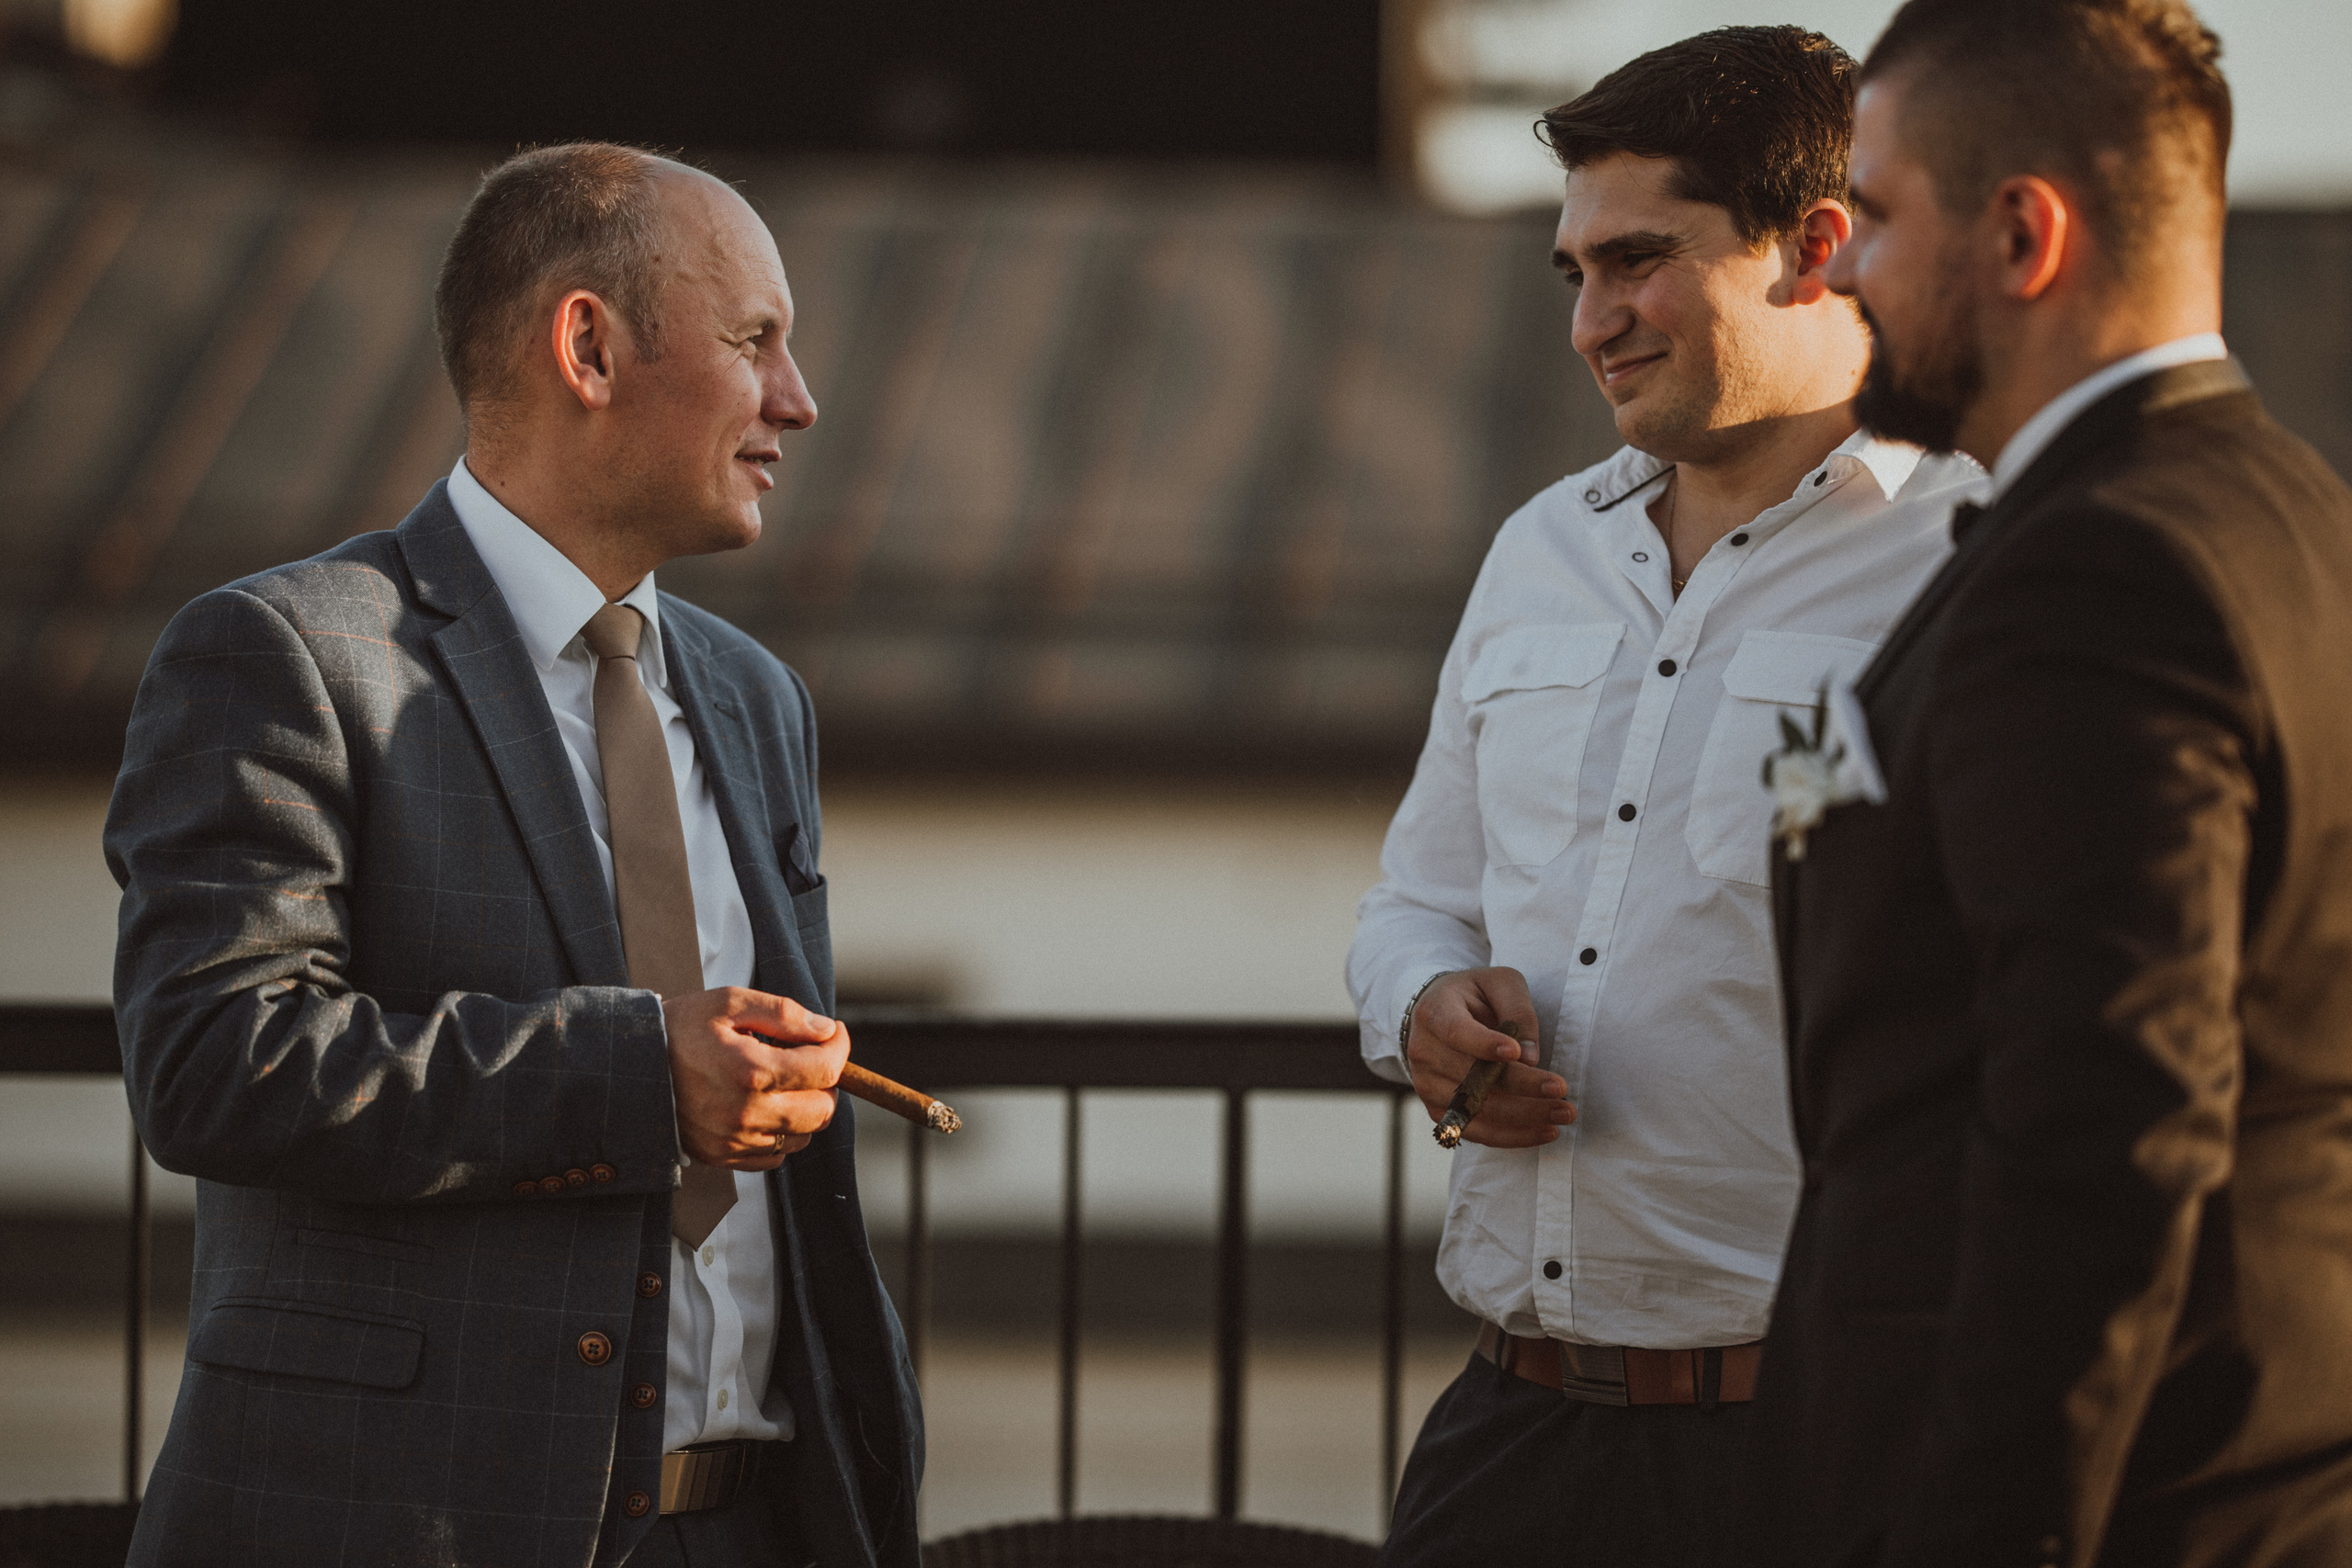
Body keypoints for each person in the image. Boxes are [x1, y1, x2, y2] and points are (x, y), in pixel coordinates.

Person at [105, 144, 921, 1568]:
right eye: (755, 341)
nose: (798, 399)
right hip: (412, 1530)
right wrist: (640, 1077)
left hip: (759, 1526)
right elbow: (212, 1064)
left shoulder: (757, 698)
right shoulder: (282, 655)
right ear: (589, 349)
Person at [1347, 27, 1979, 1565]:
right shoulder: (1537, 550)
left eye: (1638, 261)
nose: (1591, 322)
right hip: (1513, 1435)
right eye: (1575, 271)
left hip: (1825, 1450)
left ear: (1816, 246)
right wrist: (1420, 1006)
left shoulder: (1977, 558)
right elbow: (1416, 898)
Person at [1751, 1, 2352, 1563]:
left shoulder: (2095, 571)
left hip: (2110, 1504)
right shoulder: (2294, 509)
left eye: (1879, 216)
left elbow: (2107, 1124)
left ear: (2024, 235)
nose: (1844, 273)